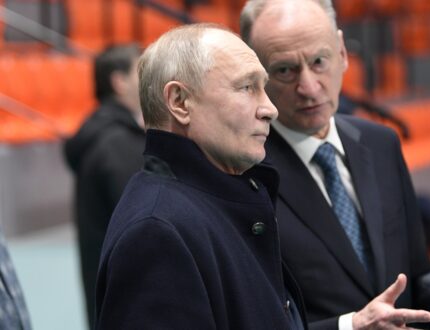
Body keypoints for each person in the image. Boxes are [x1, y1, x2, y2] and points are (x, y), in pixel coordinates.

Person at [240, 0, 430, 329]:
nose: (308, 87)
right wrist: (351, 326)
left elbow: (417, 273)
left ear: (343, 54)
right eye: (284, 70)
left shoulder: (381, 144)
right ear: (257, 77)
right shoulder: (244, 175)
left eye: (319, 61)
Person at [94, 23, 306, 329]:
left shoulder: (205, 203)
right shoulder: (157, 233)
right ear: (180, 102)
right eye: (247, 87)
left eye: (264, 88)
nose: (269, 109)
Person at [63, 44, 144, 329]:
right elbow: (142, 224)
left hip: (108, 287)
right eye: (140, 71)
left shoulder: (104, 134)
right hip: (127, 293)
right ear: (119, 82)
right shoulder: (117, 144)